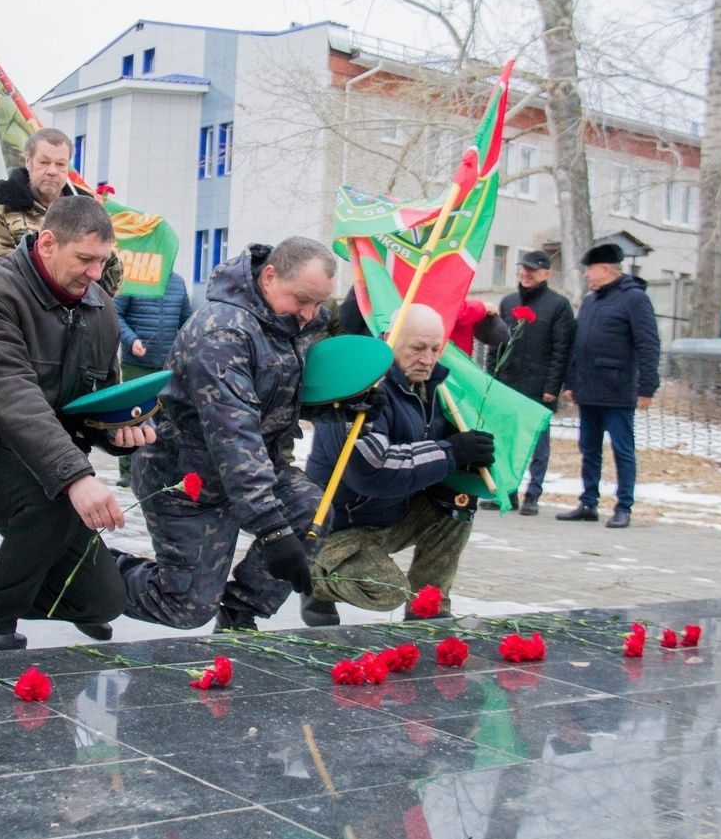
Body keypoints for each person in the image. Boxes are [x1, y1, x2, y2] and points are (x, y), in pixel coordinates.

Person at [0, 196, 152, 652]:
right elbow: (12, 397)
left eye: (104, 261)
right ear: (48, 243)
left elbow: (95, 401)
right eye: (85, 259)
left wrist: (118, 433)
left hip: (50, 461)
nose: (96, 274)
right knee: (50, 501)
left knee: (101, 600)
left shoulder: (100, 310)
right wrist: (76, 476)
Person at [116, 238, 338, 631]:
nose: (309, 314)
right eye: (302, 299)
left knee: (311, 511)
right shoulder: (221, 332)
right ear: (269, 276)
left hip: (248, 471)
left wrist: (339, 405)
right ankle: (89, 579)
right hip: (188, 481)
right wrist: (272, 530)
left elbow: (272, 397)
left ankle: (238, 613)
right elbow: (234, 432)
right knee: (185, 607)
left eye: (318, 303)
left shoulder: (288, 322)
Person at [304, 304, 496, 622]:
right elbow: (372, 471)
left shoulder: (433, 387)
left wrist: (472, 457)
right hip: (337, 526)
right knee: (387, 592)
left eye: (436, 348)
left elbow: (440, 453)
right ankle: (314, 580)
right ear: (390, 339)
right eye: (418, 348)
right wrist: (451, 453)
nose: (428, 359)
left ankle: (429, 606)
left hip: (390, 514)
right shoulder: (360, 387)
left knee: (458, 501)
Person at [558, 243, 660, 529]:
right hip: (588, 389)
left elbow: (648, 344)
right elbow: (578, 345)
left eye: (589, 269)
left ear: (605, 268)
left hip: (617, 389)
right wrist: (571, 380)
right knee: (588, 448)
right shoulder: (591, 301)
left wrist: (647, 387)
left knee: (622, 449)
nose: (586, 275)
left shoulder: (635, 299)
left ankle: (623, 506)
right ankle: (588, 502)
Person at [481, 250, 575, 515]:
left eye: (532, 270)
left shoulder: (557, 305)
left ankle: (533, 494)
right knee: (506, 440)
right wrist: (491, 377)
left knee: (537, 444)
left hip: (538, 386)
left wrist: (551, 388)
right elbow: (495, 341)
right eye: (523, 268)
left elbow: (561, 350)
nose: (526, 273)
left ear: (545, 273)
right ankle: (508, 493)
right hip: (507, 383)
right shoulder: (509, 301)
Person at [0, 128, 122, 297]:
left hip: (78, 313)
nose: (52, 171)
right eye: (44, 162)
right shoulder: (4, 207)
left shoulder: (88, 210)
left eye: (60, 164)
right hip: (22, 310)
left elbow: (109, 279)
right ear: (28, 161)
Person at [112, 271, 192, 486]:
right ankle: (127, 471)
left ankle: (158, 470)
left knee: (165, 417)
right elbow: (115, 313)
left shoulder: (177, 282)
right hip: (136, 363)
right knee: (131, 415)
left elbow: (187, 321)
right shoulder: (133, 280)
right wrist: (131, 340)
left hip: (167, 364)